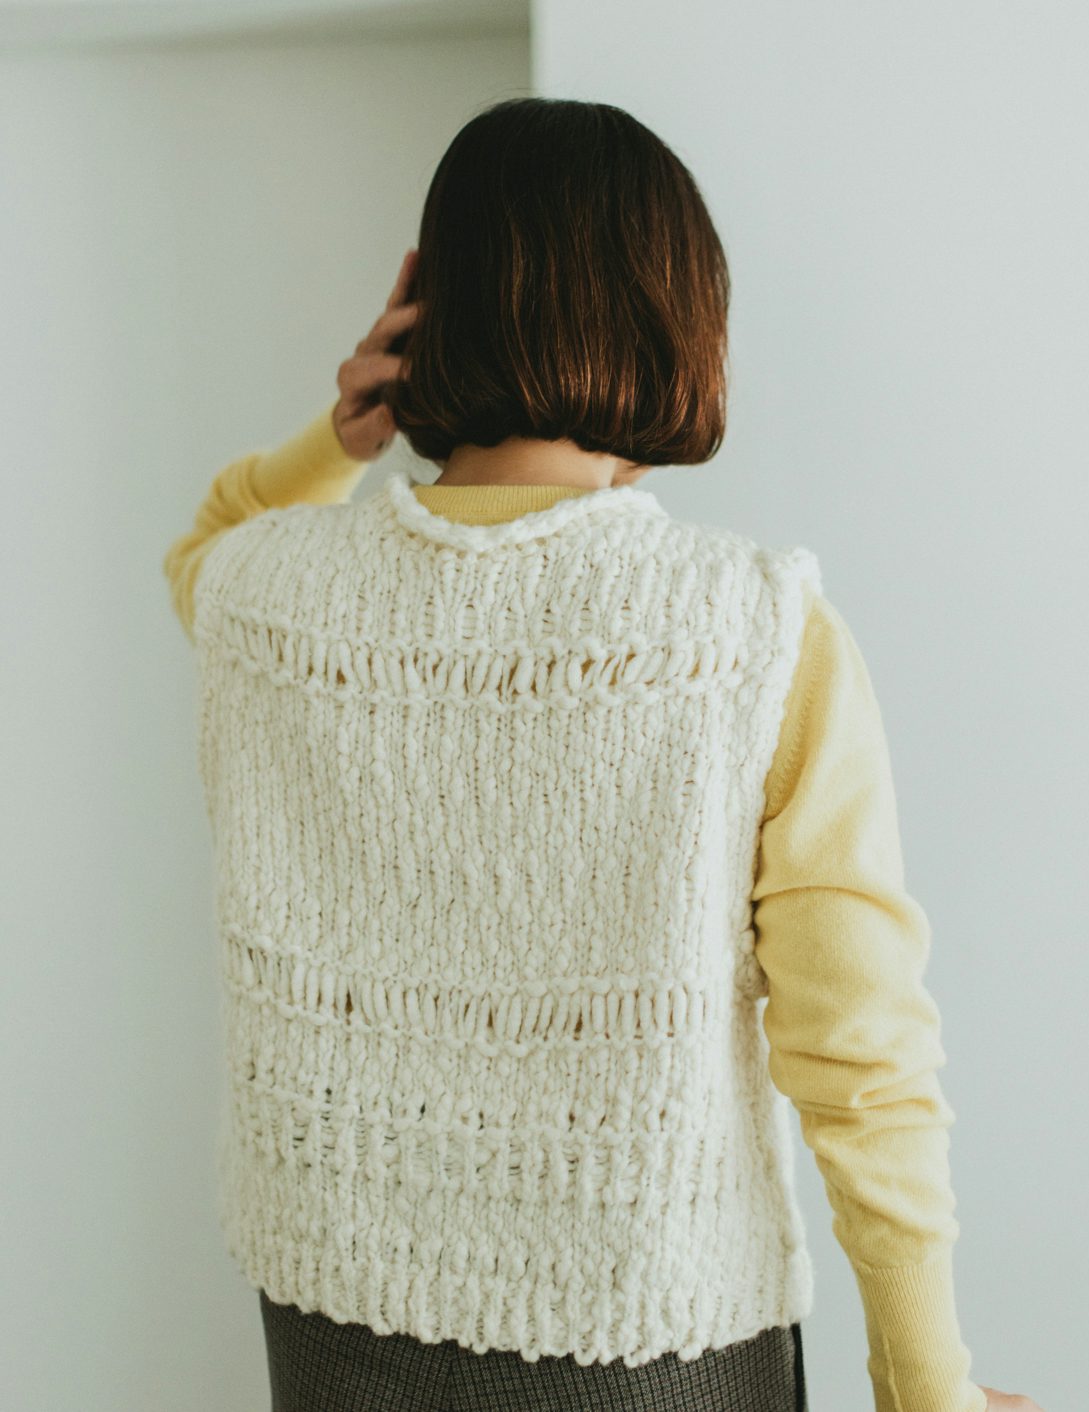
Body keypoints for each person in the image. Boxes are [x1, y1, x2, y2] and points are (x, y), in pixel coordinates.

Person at [163, 98, 1043, 1412]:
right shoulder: (751, 630)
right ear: (671, 315)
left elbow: (203, 548)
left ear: (428, 315)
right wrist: (927, 1384)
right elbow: (859, 1053)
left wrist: (335, 436)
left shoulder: (267, 597)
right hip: (650, 1338)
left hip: (337, 1319)